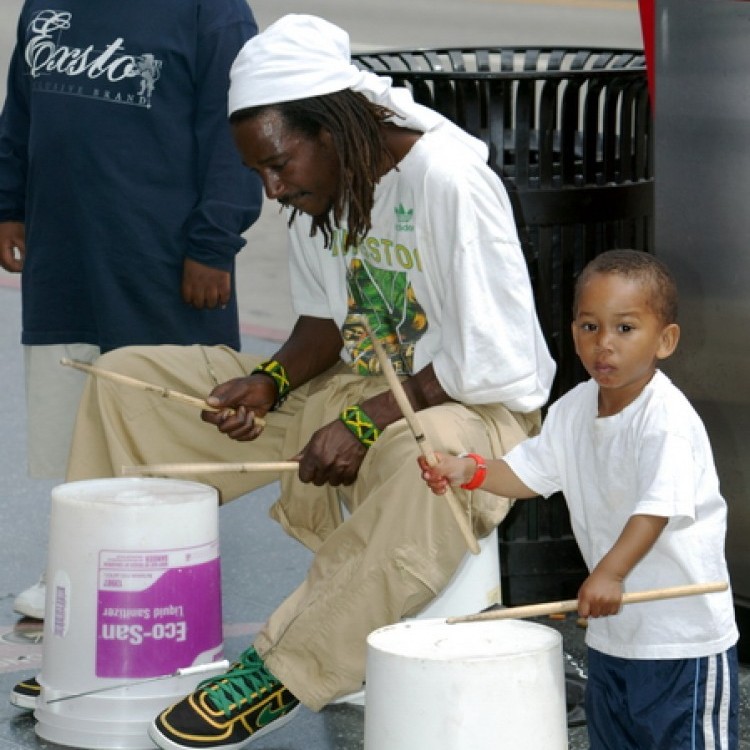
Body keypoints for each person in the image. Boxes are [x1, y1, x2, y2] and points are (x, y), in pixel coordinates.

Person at [22, 13, 557, 747]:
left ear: (333, 130)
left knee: (429, 463)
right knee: (125, 380)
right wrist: (270, 381)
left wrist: (365, 421)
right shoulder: (325, 191)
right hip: (355, 391)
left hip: (467, 411)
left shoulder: (448, 181)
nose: (272, 191)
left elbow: (496, 360)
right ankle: (116, 625)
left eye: (278, 165)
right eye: (259, 174)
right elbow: (325, 324)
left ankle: (284, 668)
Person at [0, 0, 262, 621]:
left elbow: (236, 133)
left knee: (166, 423)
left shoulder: (211, 11)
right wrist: (7, 203)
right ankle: (78, 562)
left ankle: (162, 570)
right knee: (71, 421)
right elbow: (21, 112)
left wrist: (214, 243)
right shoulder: (46, 5)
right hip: (63, 256)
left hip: (163, 262)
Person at [420, 249, 739, 750]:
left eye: (625, 328)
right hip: (614, 635)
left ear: (665, 340)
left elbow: (654, 511)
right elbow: (527, 473)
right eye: (590, 327)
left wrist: (609, 573)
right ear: (573, 334)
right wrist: (470, 470)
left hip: (683, 640)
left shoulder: (666, 420)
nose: (604, 343)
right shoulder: (572, 411)